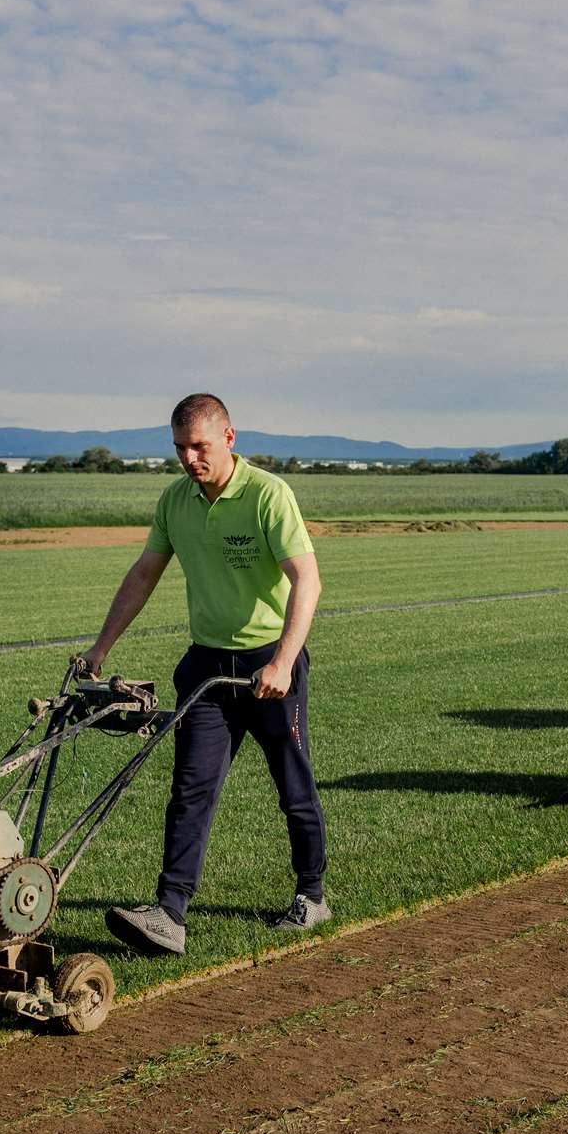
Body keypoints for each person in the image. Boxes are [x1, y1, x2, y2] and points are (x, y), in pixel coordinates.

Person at [76, 394, 329, 956]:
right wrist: (101, 647)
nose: (190, 459)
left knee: (293, 787)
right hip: (207, 666)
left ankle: (311, 894)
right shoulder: (176, 501)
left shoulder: (268, 495)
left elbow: (307, 582)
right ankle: (169, 913)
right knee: (190, 789)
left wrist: (284, 661)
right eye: (180, 449)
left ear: (229, 438)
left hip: (270, 664)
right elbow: (144, 574)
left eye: (200, 446)